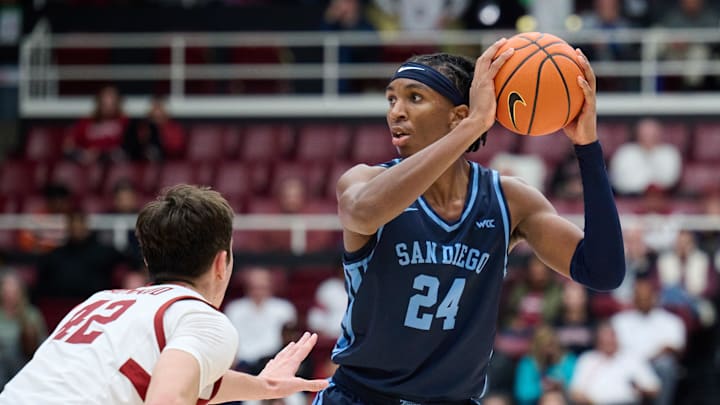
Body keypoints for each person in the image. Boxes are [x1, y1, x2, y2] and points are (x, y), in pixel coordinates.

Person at [314, 38, 625, 404]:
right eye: (391, 98)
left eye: (414, 97)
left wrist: (587, 146)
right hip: (362, 397)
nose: (396, 111)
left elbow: (603, 272)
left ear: (457, 114)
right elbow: (363, 212)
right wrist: (476, 124)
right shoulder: (363, 180)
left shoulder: (509, 200)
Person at [0, 185, 328, 404]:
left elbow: (173, 377)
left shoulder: (99, 301)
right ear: (221, 262)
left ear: (147, 260)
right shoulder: (203, 319)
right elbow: (167, 399)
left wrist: (263, 385)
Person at [224, 266, 298, 373]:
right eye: (254, 287)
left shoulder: (284, 309)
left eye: (262, 287)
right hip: (242, 363)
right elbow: (229, 338)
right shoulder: (235, 309)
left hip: (274, 361)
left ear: (270, 287)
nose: (258, 291)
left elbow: (289, 339)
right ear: (247, 288)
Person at [569, 321, 660, 404]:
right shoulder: (588, 359)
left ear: (617, 338)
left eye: (611, 337)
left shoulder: (632, 358)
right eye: (604, 339)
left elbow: (654, 388)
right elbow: (576, 392)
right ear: (597, 341)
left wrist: (642, 391)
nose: (608, 342)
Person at [609, 118, 682, 196]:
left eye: (652, 134)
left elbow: (670, 180)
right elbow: (618, 180)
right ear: (637, 134)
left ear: (659, 134)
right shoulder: (625, 152)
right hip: (630, 198)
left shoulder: (669, 152)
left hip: (662, 198)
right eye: (645, 134)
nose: (648, 137)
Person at [0, 270, 47, 388]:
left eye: (13, 290)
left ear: (21, 292)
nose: (10, 294)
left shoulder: (32, 314)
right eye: (6, 290)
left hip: (24, 365)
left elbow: (43, 344)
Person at [63, 85, 128, 165]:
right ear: (99, 102)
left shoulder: (124, 121)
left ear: (117, 103)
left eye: (112, 102)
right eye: (105, 103)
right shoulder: (86, 121)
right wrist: (84, 152)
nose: (108, 106)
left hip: (112, 160)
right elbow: (68, 145)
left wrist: (100, 151)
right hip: (87, 160)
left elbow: (128, 146)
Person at [513, 325, 577, 405]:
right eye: (545, 345)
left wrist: (561, 385)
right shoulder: (528, 363)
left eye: (551, 344)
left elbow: (576, 389)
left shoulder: (568, 361)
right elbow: (523, 394)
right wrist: (544, 386)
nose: (549, 350)